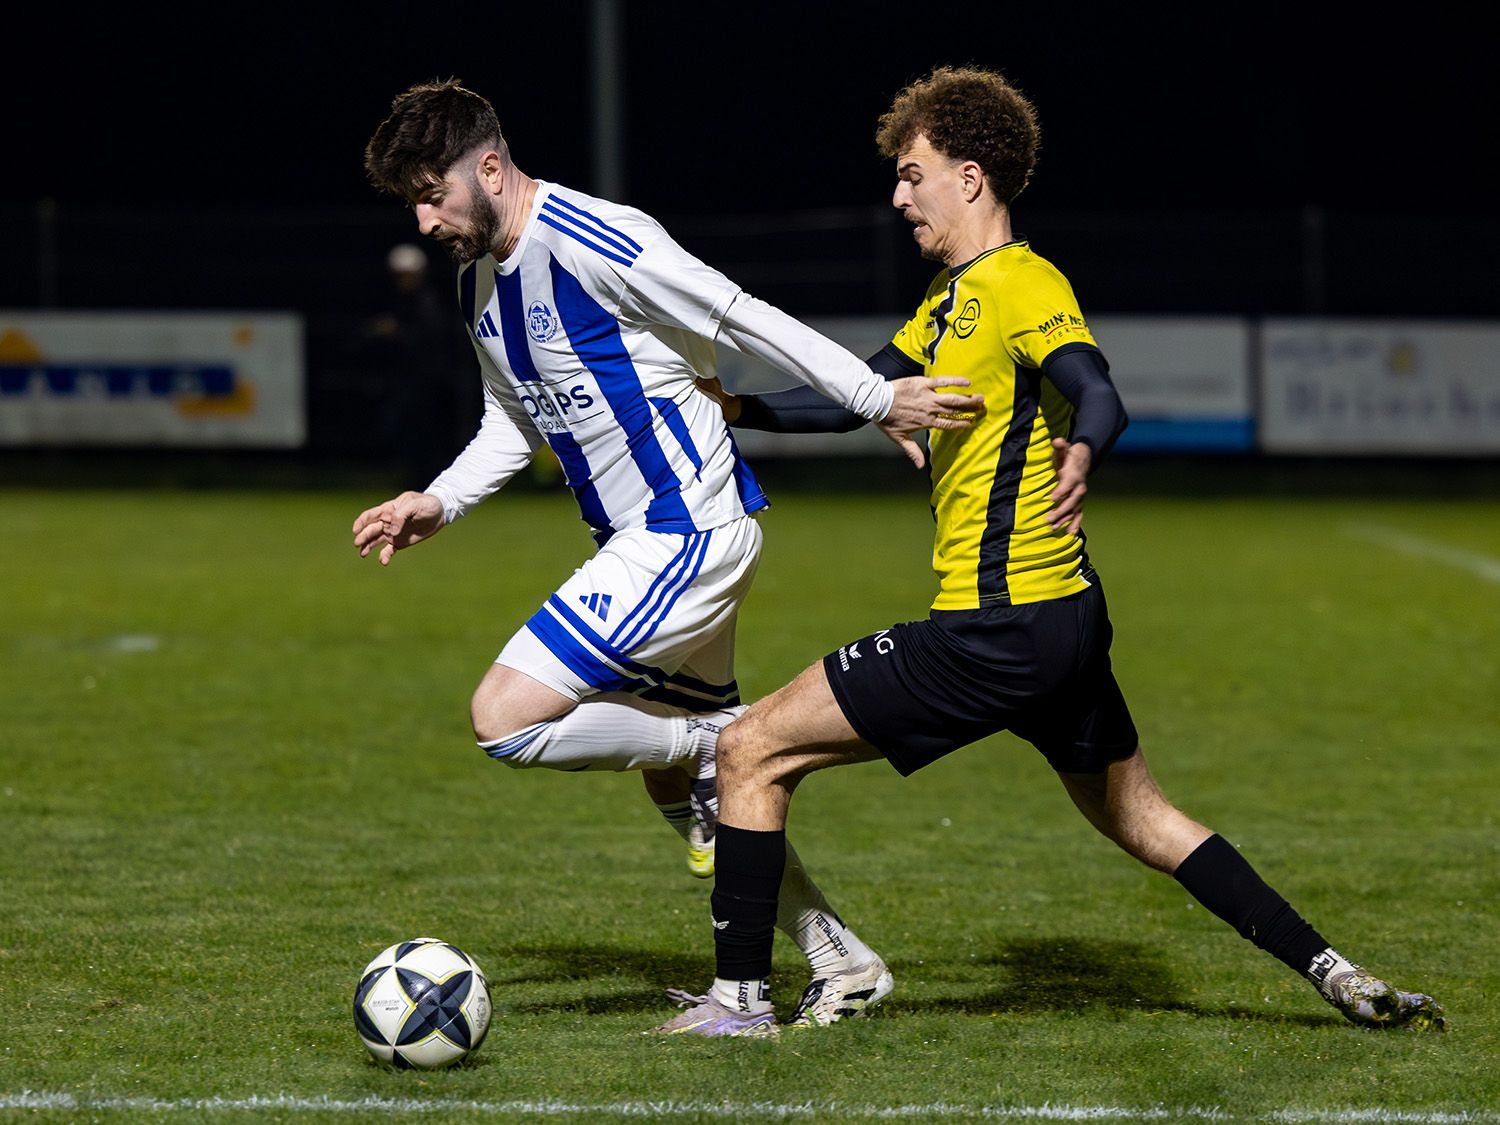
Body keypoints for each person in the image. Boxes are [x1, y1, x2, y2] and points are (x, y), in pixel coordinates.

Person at [657, 65, 1445, 1038]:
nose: (900, 196)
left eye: (914, 174)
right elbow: (860, 393)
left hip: (997, 629)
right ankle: (1336, 975)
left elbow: (1096, 385)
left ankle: (745, 1002)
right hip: (1064, 624)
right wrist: (740, 408)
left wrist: (1087, 442)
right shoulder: (949, 303)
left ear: (971, 178)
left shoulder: (1024, 284)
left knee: (748, 749)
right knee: (1143, 817)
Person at [352, 79, 981, 983]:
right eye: (410, 201)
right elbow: (509, 421)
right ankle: (837, 956)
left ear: (489, 167)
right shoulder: (478, 286)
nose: (422, 221)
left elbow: (737, 314)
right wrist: (438, 501)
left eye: (431, 193)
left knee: (505, 719)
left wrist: (874, 396)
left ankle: (710, 742)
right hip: (652, 541)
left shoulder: (595, 240)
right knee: (696, 785)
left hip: (683, 532)